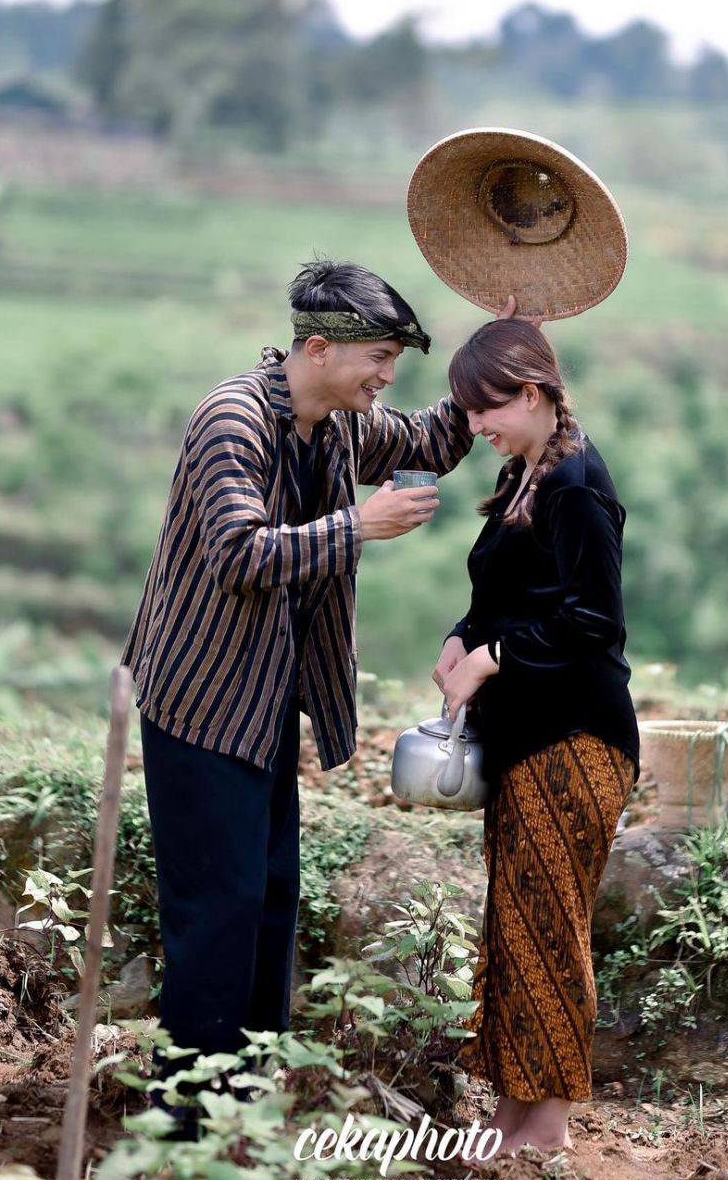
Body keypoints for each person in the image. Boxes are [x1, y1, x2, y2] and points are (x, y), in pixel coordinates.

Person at [121, 259, 513, 1115]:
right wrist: (357, 525)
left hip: (264, 705)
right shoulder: (233, 420)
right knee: (214, 909)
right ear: (318, 348)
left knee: (267, 899)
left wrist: (503, 333)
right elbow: (241, 554)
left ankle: (245, 1101)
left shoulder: (337, 424)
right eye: (378, 358)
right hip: (199, 702)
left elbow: (433, 440)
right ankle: (186, 1115)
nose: (387, 378)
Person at [433, 318, 640, 1158]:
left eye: (485, 409)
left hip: (575, 739)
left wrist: (493, 658)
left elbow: (594, 620)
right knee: (516, 926)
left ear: (532, 392)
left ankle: (545, 1128)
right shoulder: (529, 474)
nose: (474, 427)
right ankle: (512, 1116)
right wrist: (462, 636)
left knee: (547, 926)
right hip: (529, 739)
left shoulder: (575, 486)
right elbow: (513, 594)